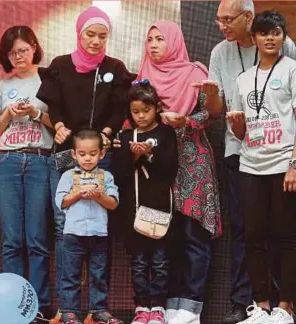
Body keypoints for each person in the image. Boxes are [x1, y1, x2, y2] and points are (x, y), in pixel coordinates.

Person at [193, 1, 296, 322]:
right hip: (241, 154)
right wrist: (211, 95)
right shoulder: (221, 54)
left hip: (282, 156)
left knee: (282, 231)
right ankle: (248, 303)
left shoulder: (287, 50)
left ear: (247, 18)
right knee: (244, 231)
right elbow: (214, 111)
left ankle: (284, 305)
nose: (221, 25)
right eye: (218, 19)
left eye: (228, 19)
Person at [36, 8, 135, 319]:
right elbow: (53, 104)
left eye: (102, 36)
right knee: (64, 224)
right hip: (67, 152)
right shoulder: (60, 66)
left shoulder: (115, 68)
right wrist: (61, 124)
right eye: (90, 35)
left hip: (101, 152)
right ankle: (67, 308)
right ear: (79, 34)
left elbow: (120, 108)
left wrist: (106, 132)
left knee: (100, 225)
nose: (95, 41)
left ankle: (98, 308)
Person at [136, 21, 221, 324]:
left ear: (174, 41)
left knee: (193, 236)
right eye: (150, 39)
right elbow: (136, 117)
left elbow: (209, 115)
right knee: (166, 237)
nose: (154, 45)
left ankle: (191, 307)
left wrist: (183, 121)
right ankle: (168, 305)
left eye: (160, 39)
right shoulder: (144, 75)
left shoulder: (195, 73)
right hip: (158, 165)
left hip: (192, 162)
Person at [227, 11, 296, 324]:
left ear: (283, 37)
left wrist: (294, 165)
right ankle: (261, 307)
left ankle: (285, 307)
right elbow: (240, 134)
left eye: (277, 33)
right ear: (253, 39)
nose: (271, 38)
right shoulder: (243, 79)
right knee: (253, 237)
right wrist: (238, 126)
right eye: (265, 33)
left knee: (285, 237)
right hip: (250, 165)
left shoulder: (293, 69)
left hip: (284, 164)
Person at [0, 25, 53, 322]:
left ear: (34, 48)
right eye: (12, 53)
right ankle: (15, 305)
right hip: (7, 162)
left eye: (23, 50)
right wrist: (8, 114)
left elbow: (62, 124)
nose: (18, 57)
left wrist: (35, 113)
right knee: (12, 239)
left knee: (37, 238)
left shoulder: (49, 80)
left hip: (40, 159)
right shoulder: (1, 87)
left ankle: (39, 305)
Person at [113, 81, 178, 324]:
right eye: (135, 112)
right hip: (133, 209)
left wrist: (148, 155)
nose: (141, 116)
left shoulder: (165, 133)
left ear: (157, 108)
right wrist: (132, 155)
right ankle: (142, 308)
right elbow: (119, 172)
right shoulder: (126, 135)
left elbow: (170, 169)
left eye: (146, 111)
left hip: (159, 206)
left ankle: (158, 308)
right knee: (139, 262)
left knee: (160, 261)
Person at [55, 129, 121, 324]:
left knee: (99, 274)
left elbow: (113, 203)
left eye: (93, 154)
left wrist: (100, 196)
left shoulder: (106, 176)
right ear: (74, 154)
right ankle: (68, 311)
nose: (87, 159)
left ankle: (98, 310)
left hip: (99, 233)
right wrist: (78, 194)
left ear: (101, 154)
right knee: (70, 274)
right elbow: (61, 202)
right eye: (82, 154)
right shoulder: (68, 175)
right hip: (73, 234)